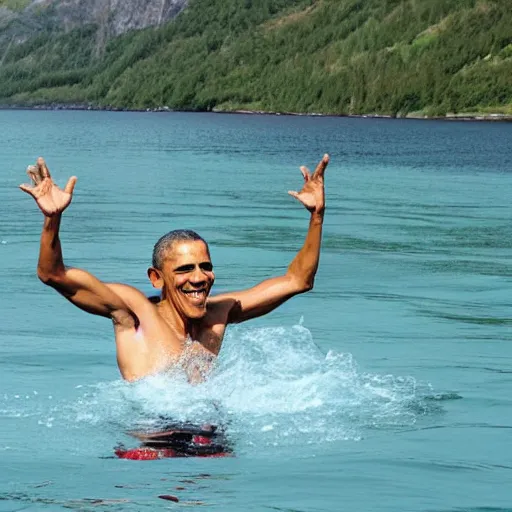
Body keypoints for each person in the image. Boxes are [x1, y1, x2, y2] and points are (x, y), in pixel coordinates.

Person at [20, 154, 329, 383]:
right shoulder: (133, 314)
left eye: (205, 267)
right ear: (157, 278)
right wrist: (52, 220)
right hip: (151, 446)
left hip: (208, 439)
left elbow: (298, 280)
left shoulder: (219, 314)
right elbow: (53, 274)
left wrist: (316, 216)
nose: (199, 278)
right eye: (184, 270)